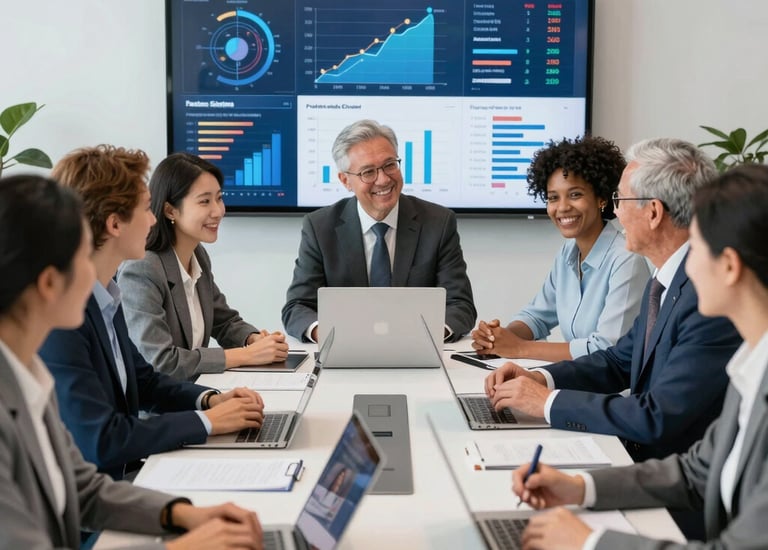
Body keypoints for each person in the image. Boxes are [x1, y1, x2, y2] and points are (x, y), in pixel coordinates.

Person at [512, 164, 768, 550]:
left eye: (696, 247)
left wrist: (591, 543)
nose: (686, 266)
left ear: (730, 266)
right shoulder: (751, 366)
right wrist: (580, 487)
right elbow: (696, 471)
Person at [0, 174, 263, 549]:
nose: (97, 273)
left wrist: (180, 513)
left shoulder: (29, 374)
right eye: (82, 257)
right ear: (48, 284)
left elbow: (82, 488)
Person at [484, 138, 741, 463]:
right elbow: (619, 360)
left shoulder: (707, 298)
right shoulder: (666, 280)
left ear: (653, 212)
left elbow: (657, 415)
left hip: (672, 480)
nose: (615, 211)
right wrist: (539, 378)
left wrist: (547, 402)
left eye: (620, 200)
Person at [39, 145, 265, 482]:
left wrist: (210, 401)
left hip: (126, 474)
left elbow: (144, 381)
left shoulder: (104, 298)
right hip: (100, 494)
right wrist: (207, 423)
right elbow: (101, 440)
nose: (153, 219)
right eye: (146, 208)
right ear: (115, 224)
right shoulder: (63, 320)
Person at [281, 119, 476, 343]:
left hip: (417, 352)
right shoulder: (320, 227)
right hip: (346, 352)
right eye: (368, 172)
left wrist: (428, 335)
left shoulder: (438, 223)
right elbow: (297, 307)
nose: (383, 179)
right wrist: (327, 334)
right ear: (345, 180)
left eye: (390, 165)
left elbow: (461, 305)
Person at [472, 135, 651, 362]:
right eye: (553, 198)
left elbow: (605, 350)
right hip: (575, 384)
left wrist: (518, 349)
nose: (562, 207)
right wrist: (497, 337)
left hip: (612, 393)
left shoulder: (626, 260)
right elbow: (536, 316)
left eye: (575, 195)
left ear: (601, 199)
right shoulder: (568, 253)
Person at [117, 152, 288, 381]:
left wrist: (254, 340)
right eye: (204, 201)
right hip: (162, 410)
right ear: (170, 210)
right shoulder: (142, 269)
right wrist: (244, 355)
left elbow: (224, 321)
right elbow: (160, 361)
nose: (218, 211)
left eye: (219, 198)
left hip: (197, 394)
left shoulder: (197, 255)